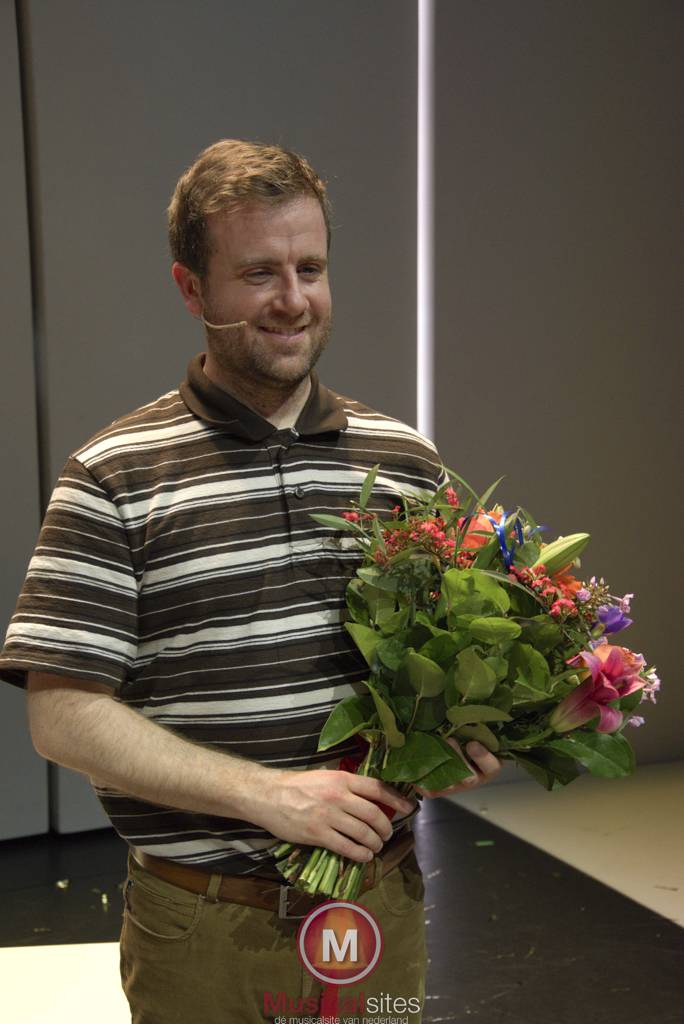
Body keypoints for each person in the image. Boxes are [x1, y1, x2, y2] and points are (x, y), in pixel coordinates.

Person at [0, 139, 501, 1022]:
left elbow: (447, 665)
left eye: (311, 269)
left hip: (377, 907)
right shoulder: (113, 476)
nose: (293, 299)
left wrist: (462, 733)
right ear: (192, 289)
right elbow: (62, 712)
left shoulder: (405, 463)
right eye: (259, 273)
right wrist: (267, 796)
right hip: (203, 928)